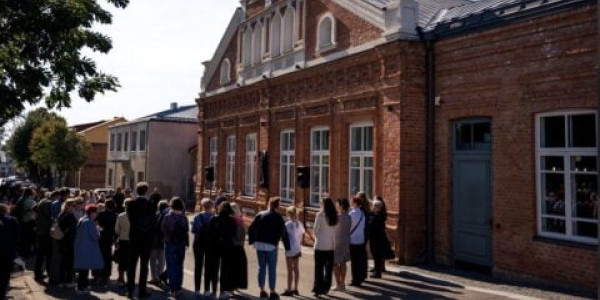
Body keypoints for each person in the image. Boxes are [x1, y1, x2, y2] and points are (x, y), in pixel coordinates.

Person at [248, 197, 290, 300]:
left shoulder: (260, 214)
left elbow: (251, 228)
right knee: (271, 269)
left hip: (259, 244)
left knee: (261, 267)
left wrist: (252, 240)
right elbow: (284, 232)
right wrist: (287, 247)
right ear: (278, 206)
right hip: (271, 245)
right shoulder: (278, 217)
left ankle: (262, 290)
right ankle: (272, 291)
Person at [126, 182, 156, 298]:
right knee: (144, 266)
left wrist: (139, 228)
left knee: (132, 265)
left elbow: (131, 220)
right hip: (146, 238)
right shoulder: (150, 204)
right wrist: (147, 230)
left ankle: (130, 290)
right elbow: (153, 221)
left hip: (134, 237)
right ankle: (142, 290)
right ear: (146, 191)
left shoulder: (131, 204)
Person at [208, 201, 238, 299]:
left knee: (214, 269)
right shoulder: (232, 220)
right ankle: (222, 292)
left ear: (219, 208)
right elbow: (234, 235)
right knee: (224, 270)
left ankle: (213, 291)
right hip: (227, 247)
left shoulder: (214, 219)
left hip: (215, 247)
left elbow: (209, 233)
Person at [161, 197, 189, 297]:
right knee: (179, 265)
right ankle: (178, 287)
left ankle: (173, 290)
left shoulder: (167, 216)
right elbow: (186, 231)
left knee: (171, 266)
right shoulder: (184, 217)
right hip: (181, 243)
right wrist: (187, 243)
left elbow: (163, 229)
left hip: (169, 243)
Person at [74, 204, 104, 294]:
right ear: (92, 213)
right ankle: (81, 288)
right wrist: (98, 230)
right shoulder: (90, 222)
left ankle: (82, 286)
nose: (96, 215)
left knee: (82, 270)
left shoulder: (82, 219)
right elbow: (95, 237)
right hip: (87, 249)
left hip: (81, 247)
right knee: (84, 270)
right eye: (96, 213)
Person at [313, 198, 338, 297]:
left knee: (318, 268)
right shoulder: (334, 215)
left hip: (320, 245)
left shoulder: (320, 215)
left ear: (323, 204)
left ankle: (318, 288)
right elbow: (335, 230)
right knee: (328, 269)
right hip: (330, 246)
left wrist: (319, 235)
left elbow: (315, 229)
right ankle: (326, 287)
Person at [191, 198, 214, 297]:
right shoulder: (214, 217)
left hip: (198, 243)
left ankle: (197, 289)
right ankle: (207, 290)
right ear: (211, 207)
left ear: (202, 206)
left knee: (198, 266)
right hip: (210, 244)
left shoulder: (197, 217)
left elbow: (193, 231)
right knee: (208, 266)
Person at [282, 206, 307, 296]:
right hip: (297, 248)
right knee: (296, 269)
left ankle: (289, 289)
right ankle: (295, 288)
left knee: (289, 270)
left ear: (289, 214)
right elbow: (302, 233)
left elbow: (284, 237)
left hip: (290, 249)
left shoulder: (287, 224)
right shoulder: (299, 223)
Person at [369, 198, 394, 279]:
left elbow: (373, 227)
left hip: (376, 239)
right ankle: (377, 271)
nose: (372, 207)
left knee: (376, 255)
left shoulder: (376, 217)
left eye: (373, 206)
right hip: (379, 238)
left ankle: (377, 272)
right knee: (377, 256)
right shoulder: (380, 216)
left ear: (376, 207)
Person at [34, 191, 56, 282]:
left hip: (40, 230)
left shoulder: (42, 201)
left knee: (40, 254)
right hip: (46, 231)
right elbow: (51, 216)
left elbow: (34, 208)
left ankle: (38, 273)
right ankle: (49, 273)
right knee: (48, 254)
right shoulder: (49, 204)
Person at [96, 199, 118, 286]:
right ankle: (107, 274)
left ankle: (99, 274)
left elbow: (97, 225)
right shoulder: (115, 216)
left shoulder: (101, 215)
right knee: (108, 257)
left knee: (100, 256)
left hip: (101, 237)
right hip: (110, 238)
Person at [0, 203, 19, 299]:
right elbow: (16, 237)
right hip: (7, 251)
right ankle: (2, 292)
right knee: (5, 272)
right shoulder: (12, 220)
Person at [58, 199, 78, 288]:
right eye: (73, 206)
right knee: (69, 262)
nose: (75, 207)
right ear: (68, 206)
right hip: (69, 241)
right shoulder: (70, 216)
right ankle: (69, 281)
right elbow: (73, 229)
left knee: (62, 262)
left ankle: (61, 281)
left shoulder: (61, 214)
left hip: (61, 241)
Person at [349, 196, 368, 287]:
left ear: (355, 203)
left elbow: (348, 225)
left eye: (351, 201)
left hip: (353, 240)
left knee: (354, 261)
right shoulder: (362, 214)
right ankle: (360, 278)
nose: (350, 203)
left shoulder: (352, 213)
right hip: (361, 239)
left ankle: (355, 280)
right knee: (359, 260)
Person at [149, 200, 169, 287]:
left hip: (153, 240)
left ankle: (154, 278)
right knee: (161, 261)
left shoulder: (154, 215)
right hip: (162, 241)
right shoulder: (167, 216)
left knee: (153, 261)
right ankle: (160, 276)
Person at [333, 198, 351, 291]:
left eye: (337, 204)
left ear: (341, 206)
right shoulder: (348, 217)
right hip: (346, 241)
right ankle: (343, 283)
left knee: (335, 263)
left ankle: (338, 284)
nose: (336, 206)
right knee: (343, 262)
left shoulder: (337, 217)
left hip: (336, 242)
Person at [230, 203, 248, 291]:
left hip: (232, 247)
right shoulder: (241, 220)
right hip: (240, 247)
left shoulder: (230, 220)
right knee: (238, 268)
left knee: (231, 267)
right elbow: (244, 235)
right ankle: (236, 285)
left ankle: (232, 287)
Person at [14, 187, 36, 258]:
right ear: (31, 193)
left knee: (22, 237)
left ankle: (21, 252)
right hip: (29, 221)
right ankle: (27, 252)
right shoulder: (31, 201)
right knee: (29, 238)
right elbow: (36, 210)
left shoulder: (20, 199)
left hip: (20, 220)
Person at [115, 198, 132, 288]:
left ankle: (121, 279)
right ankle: (130, 279)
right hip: (132, 241)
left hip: (122, 239)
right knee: (131, 261)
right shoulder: (136, 216)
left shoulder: (120, 216)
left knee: (121, 261)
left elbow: (117, 230)